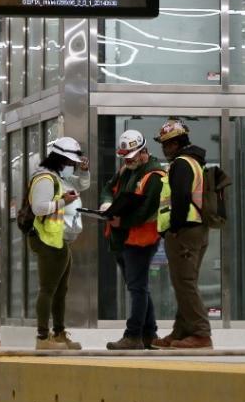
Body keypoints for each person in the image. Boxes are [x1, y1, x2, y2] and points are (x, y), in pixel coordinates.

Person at [101, 130, 165, 350]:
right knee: (139, 287)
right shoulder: (127, 170)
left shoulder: (154, 177)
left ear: (143, 152)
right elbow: (108, 189)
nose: (127, 161)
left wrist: (122, 223)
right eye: (124, 157)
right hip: (124, 238)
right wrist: (106, 205)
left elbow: (145, 212)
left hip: (141, 240)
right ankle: (149, 334)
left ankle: (133, 335)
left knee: (137, 288)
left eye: (130, 157)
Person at [153, 119, 213, 349]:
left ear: (176, 143)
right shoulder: (196, 163)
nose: (164, 149)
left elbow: (180, 199)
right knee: (183, 283)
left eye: (166, 144)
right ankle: (181, 331)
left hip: (185, 231)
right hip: (195, 229)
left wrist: (174, 229)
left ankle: (201, 333)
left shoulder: (181, 164)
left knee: (185, 283)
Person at [27, 136, 87, 351]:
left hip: (57, 239)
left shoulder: (55, 178)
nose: (72, 166)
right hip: (47, 240)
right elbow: (39, 208)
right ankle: (43, 337)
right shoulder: (45, 179)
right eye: (70, 163)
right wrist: (64, 201)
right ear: (60, 159)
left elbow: (83, 184)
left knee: (60, 290)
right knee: (48, 289)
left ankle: (59, 333)